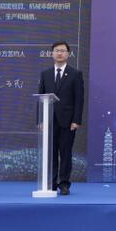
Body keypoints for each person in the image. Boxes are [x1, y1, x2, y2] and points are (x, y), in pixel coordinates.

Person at [37, 41, 84, 196]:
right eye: (57, 50)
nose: (59, 53)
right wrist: (40, 120)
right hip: (49, 120)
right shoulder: (45, 74)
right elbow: (41, 98)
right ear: (52, 53)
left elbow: (79, 99)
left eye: (63, 51)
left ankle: (64, 183)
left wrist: (76, 120)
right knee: (50, 153)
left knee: (65, 153)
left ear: (68, 54)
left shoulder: (75, 74)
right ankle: (51, 183)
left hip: (68, 121)